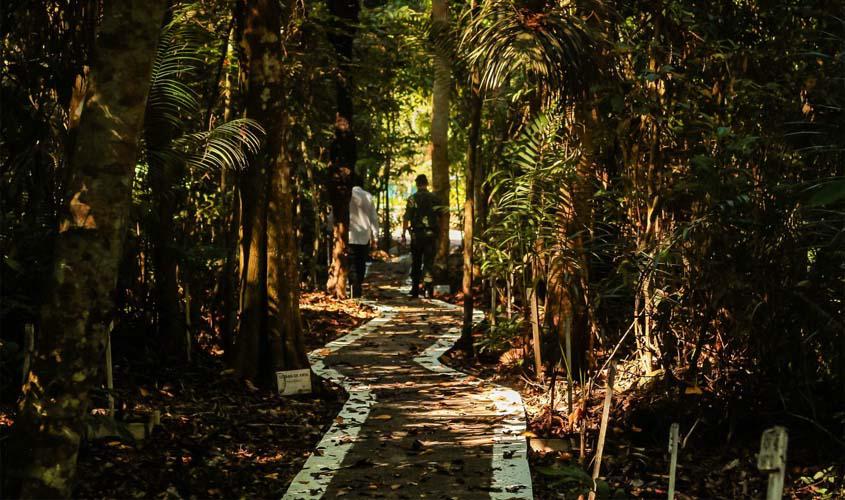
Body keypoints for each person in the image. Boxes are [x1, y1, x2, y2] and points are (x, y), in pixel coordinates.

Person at [402, 174, 440, 298]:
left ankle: (415, 289)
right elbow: (442, 216)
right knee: (429, 262)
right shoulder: (434, 198)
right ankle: (428, 290)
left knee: (416, 261)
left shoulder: (412, 198)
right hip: (431, 234)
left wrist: (403, 234)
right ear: (426, 184)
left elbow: (406, 217)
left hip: (417, 235)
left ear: (417, 184)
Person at [348, 178, 378, 298]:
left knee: (351, 263)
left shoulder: (346, 195)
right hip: (364, 236)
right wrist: (375, 237)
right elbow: (373, 218)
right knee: (361, 263)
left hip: (349, 235)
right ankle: (358, 286)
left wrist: (330, 228)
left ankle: (353, 288)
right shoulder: (368, 196)